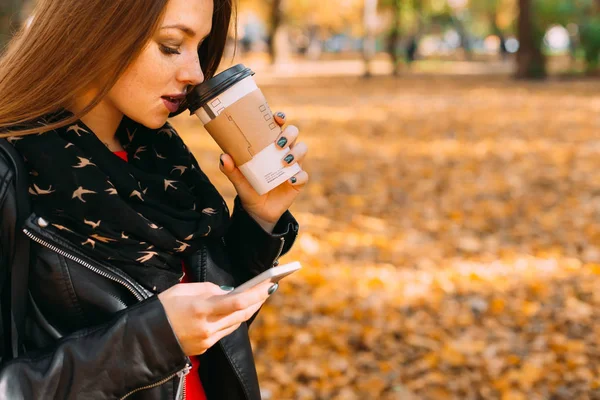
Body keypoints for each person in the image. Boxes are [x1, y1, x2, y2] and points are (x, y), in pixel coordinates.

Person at [0, 0, 308, 398]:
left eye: (200, 47)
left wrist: (259, 220)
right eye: (170, 45)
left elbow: (206, 344)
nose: (196, 73)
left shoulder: (162, 158)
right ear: (96, 30)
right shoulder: (12, 171)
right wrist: (151, 339)